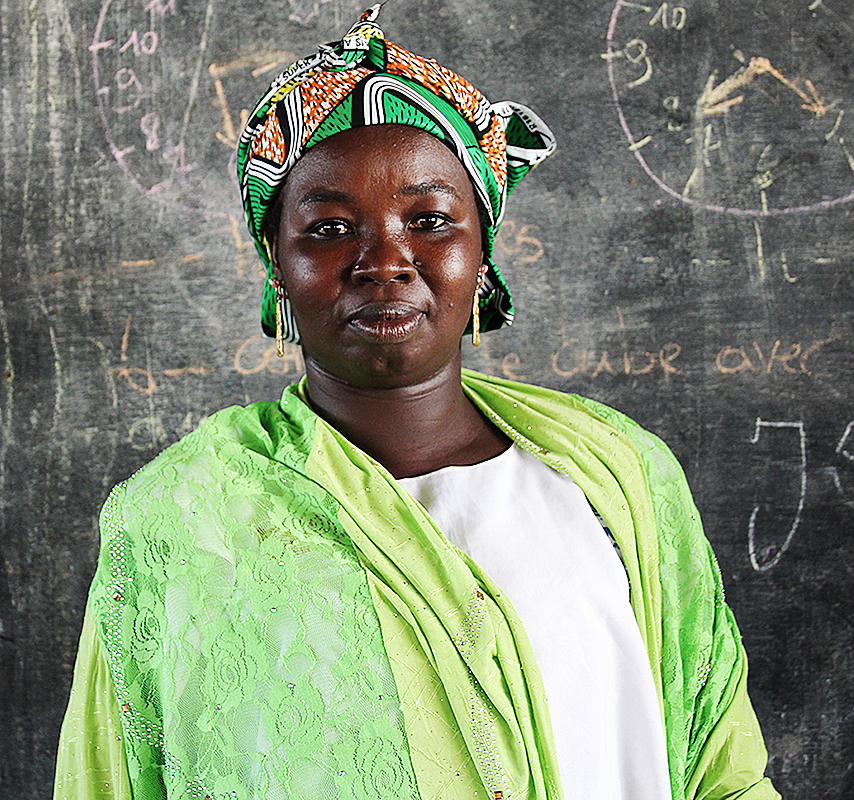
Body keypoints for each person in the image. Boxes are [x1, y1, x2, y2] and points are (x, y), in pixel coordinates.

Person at [54, 6, 779, 799]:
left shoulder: (619, 479)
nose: (385, 260)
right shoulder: (178, 521)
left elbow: (721, 765)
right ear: (276, 260)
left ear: (482, 247)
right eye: (330, 229)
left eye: (429, 220)